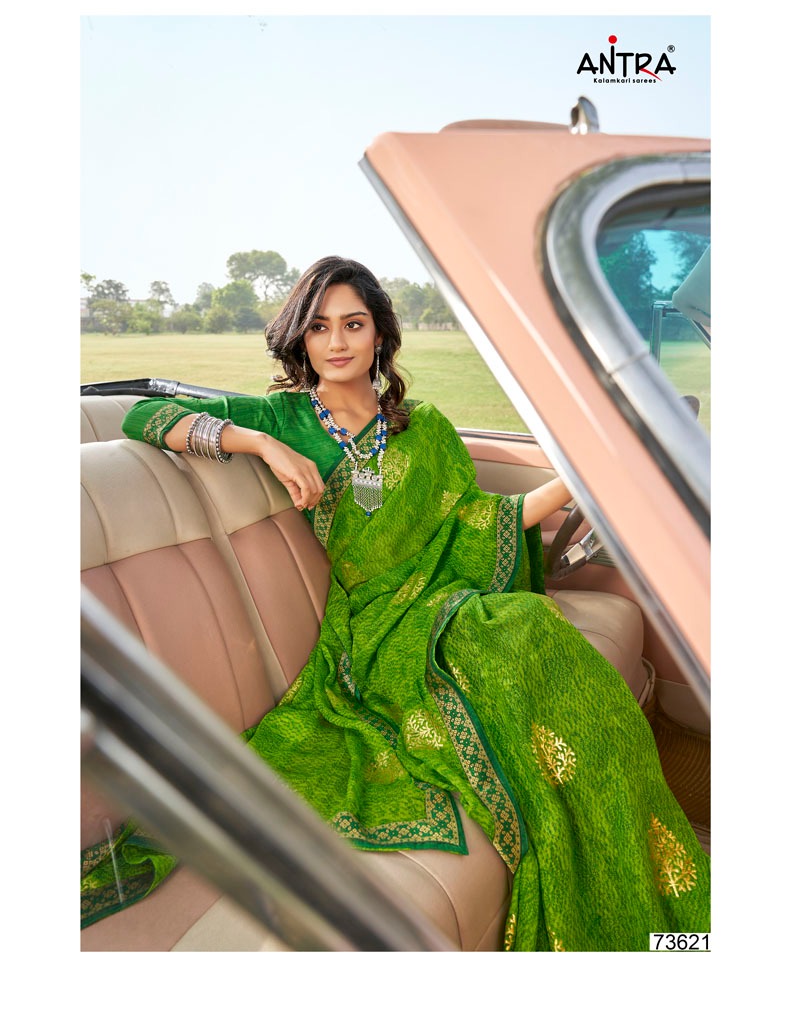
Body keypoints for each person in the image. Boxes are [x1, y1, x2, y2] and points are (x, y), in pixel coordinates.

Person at [85, 255, 710, 950]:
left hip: (449, 605)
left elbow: (482, 521)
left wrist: (592, 472)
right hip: (374, 632)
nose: (338, 341)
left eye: (354, 324)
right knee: (528, 630)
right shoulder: (283, 418)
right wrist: (259, 443)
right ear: (300, 339)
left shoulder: (425, 427)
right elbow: (145, 414)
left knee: (537, 637)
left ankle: (626, 877)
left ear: (379, 334)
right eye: (319, 327)